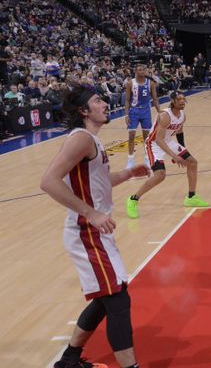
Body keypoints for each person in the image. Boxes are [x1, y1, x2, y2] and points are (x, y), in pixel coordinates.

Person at [40, 85, 148, 368]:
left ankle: (68, 360)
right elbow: (48, 181)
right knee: (118, 301)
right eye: (97, 100)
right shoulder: (81, 139)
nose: (104, 103)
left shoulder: (92, 140)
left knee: (106, 298)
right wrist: (91, 213)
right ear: (83, 111)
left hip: (95, 232)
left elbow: (96, 183)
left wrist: (127, 174)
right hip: (87, 232)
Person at [126, 91, 208, 218]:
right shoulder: (165, 116)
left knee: (192, 162)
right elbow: (158, 139)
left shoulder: (182, 115)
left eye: (183, 99)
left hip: (169, 142)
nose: (182, 101)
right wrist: (174, 156)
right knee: (160, 175)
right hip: (153, 144)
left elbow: (179, 132)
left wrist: (182, 150)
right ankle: (133, 199)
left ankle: (191, 197)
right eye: (179, 99)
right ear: (173, 101)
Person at [124, 64, 160, 169]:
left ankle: (147, 159)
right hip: (133, 112)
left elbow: (155, 99)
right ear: (136, 71)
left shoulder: (151, 83)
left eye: (144, 69)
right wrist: (126, 114)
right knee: (131, 136)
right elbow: (127, 100)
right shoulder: (130, 83)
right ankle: (130, 160)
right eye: (139, 69)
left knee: (147, 138)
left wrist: (160, 112)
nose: (142, 71)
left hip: (146, 112)